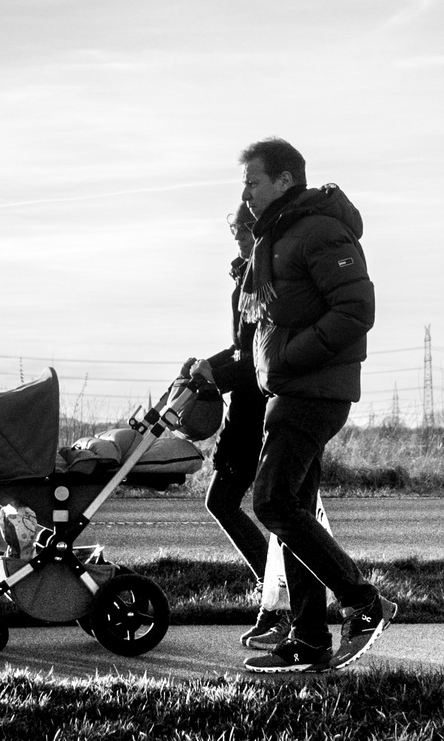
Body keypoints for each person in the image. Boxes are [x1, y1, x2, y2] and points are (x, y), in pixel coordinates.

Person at [234, 136, 396, 674]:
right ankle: (308, 638)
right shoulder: (274, 240)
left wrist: (291, 361)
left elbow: (356, 309)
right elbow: (263, 327)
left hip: (314, 390)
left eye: (253, 181)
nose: (247, 192)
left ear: (285, 179)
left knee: (273, 502)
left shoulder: (319, 229)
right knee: (292, 512)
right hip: (287, 390)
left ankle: (364, 603)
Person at [191, 203, 283, 650]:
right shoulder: (246, 281)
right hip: (246, 407)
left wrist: (217, 374)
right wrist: (205, 367)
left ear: (257, 234)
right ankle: (277, 604)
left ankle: (278, 604)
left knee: (228, 500)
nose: (239, 242)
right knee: (231, 502)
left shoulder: (263, 283)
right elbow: (238, 350)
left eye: (243, 235)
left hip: (257, 410)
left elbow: (254, 362)